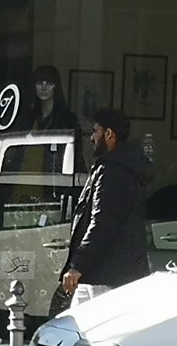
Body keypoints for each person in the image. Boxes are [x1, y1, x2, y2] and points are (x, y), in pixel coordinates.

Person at [58, 106, 153, 303]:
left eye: (95, 131)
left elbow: (102, 223)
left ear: (109, 134)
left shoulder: (112, 171)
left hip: (106, 273)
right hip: (103, 272)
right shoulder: (122, 167)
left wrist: (78, 266)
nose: (92, 138)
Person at [25, 65, 79, 134]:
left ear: (56, 86)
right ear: (34, 86)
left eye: (49, 84)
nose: (44, 88)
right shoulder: (29, 118)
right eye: (39, 83)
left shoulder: (68, 119)